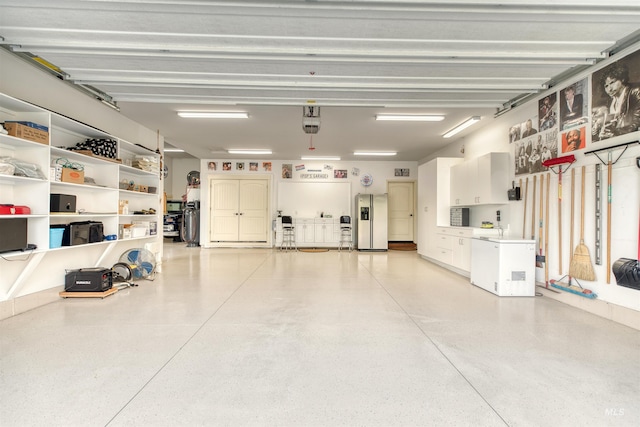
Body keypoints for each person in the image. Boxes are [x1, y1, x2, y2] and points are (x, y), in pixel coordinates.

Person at [592, 62, 640, 141]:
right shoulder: (611, 100)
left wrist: (614, 132)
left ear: (622, 79)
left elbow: (637, 123)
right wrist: (598, 126)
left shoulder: (636, 92)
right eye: (606, 86)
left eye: (612, 82)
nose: (609, 89)